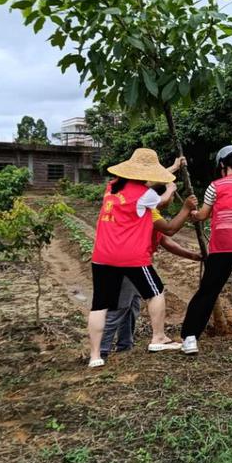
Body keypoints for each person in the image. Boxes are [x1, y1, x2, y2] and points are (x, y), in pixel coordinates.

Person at [87, 148, 197, 368]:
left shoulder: (112, 187)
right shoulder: (144, 195)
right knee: (155, 291)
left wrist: (172, 170)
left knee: (99, 306)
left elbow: (148, 187)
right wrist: (173, 189)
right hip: (130, 256)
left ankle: (95, 356)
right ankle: (158, 338)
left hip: (101, 256)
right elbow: (163, 201)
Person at [180, 145, 232, 354]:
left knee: (208, 290)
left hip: (224, 245)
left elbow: (203, 215)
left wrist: (193, 213)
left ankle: (190, 337)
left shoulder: (215, 186)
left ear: (222, 164)